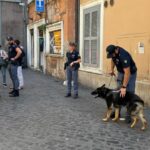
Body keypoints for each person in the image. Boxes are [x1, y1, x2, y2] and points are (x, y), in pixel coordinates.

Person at [106, 45, 137, 123]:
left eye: (112, 54)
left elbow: (127, 72)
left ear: (116, 51)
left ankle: (128, 114)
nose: (111, 56)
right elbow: (113, 60)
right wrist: (112, 69)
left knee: (129, 93)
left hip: (130, 73)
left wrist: (124, 87)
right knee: (118, 92)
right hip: (120, 72)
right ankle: (117, 112)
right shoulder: (114, 54)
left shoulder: (124, 55)